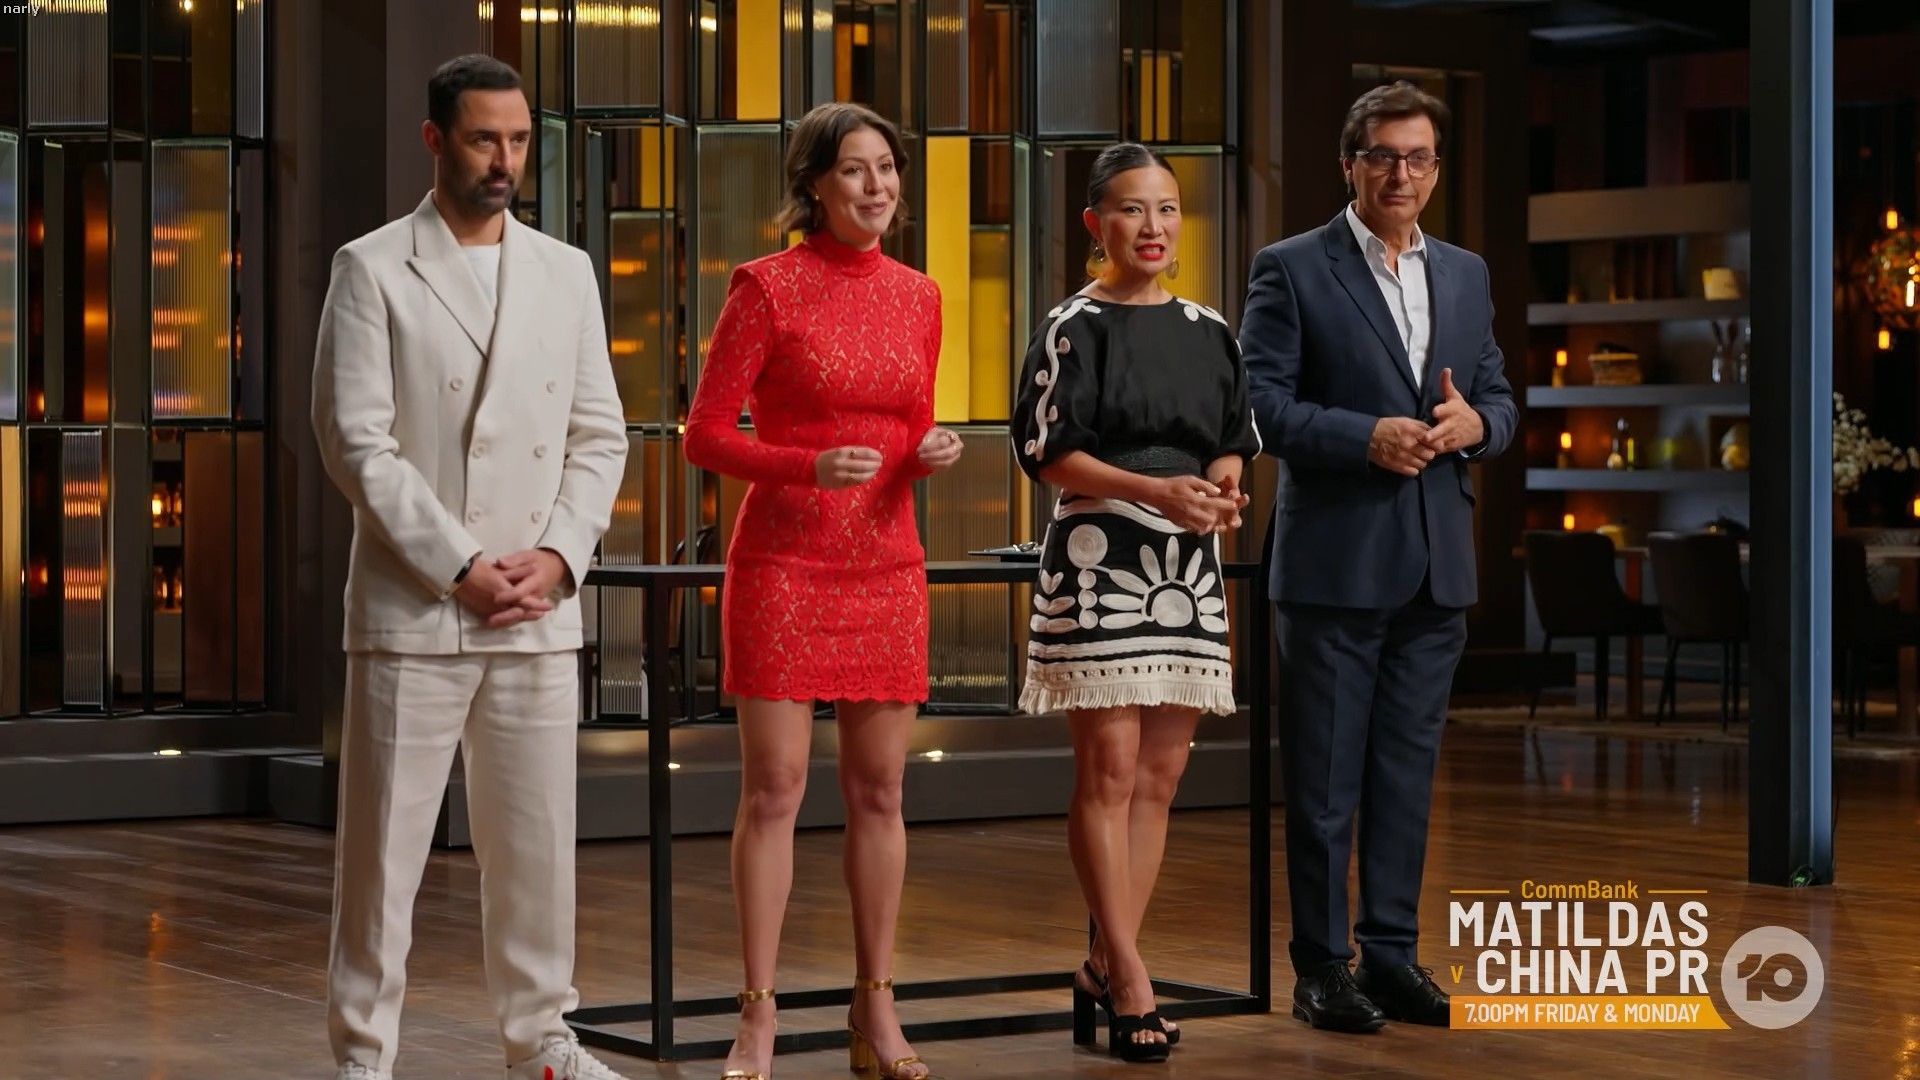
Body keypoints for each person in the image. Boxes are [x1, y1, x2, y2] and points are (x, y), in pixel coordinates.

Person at [310, 55, 630, 1080]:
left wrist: (560, 554)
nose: (505, 159)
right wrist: (457, 563)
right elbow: (354, 440)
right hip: (417, 604)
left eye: (520, 140)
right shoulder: (372, 267)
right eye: (485, 138)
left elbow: (599, 436)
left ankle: (544, 1045)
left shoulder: (566, 271)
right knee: (383, 857)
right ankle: (364, 1058)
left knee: (536, 850)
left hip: (536, 604)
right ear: (435, 139)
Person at [683, 101, 961, 1080]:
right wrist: (805, 466)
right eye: (854, 169)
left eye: (888, 167)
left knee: (881, 790)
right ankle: (756, 1015)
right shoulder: (766, 286)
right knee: (775, 790)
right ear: (814, 184)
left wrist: (928, 453)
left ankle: (875, 1006)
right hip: (785, 566)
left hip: (887, 565)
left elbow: (906, 429)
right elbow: (705, 433)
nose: (877, 186)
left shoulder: (920, 295)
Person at [1239, 81, 1516, 1034]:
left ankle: (1391, 956)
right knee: (1323, 787)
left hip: (1437, 566)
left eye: (1419, 158)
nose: (1402, 174)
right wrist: (1365, 437)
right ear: (1349, 165)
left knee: (1405, 776)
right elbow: (1260, 405)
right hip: (1334, 565)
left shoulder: (1467, 274)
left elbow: (1498, 398)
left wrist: (1479, 426)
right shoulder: (1291, 268)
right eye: (1384, 156)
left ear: (1436, 170)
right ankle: (1322, 967)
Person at [1012, 142, 1260, 1063]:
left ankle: (1104, 961)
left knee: (1161, 776)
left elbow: (1232, 435)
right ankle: (1130, 976)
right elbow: (1046, 453)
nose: (1151, 227)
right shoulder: (1071, 326)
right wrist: (1154, 492)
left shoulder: (1210, 328)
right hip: (1099, 553)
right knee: (1109, 771)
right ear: (1095, 224)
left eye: (1166, 209)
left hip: (1186, 563)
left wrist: (1223, 490)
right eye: (1130, 209)